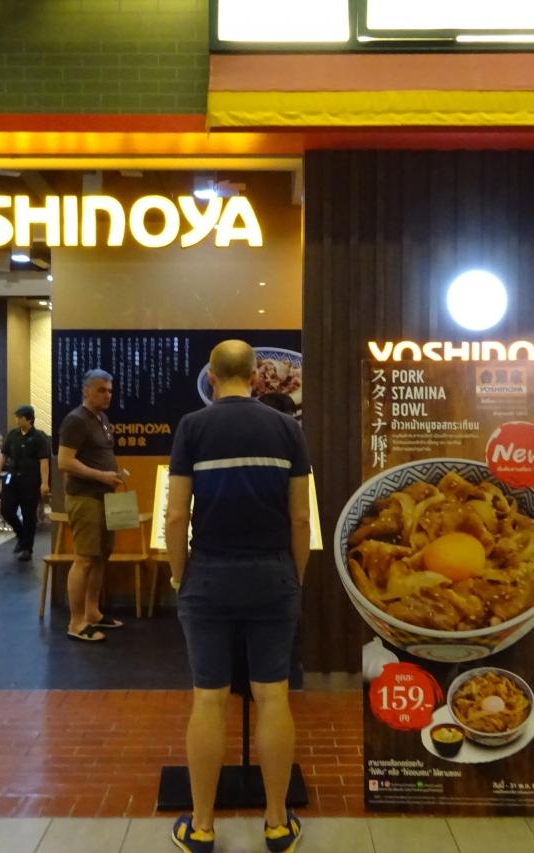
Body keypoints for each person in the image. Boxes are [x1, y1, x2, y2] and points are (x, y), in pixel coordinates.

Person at [166, 340, 310, 853]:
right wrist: (294, 576)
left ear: (211, 376)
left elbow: (176, 516)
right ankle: (276, 823)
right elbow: (300, 517)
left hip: (208, 575)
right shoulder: (287, 428)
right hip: (272, 575)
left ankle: (203, 827)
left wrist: (180, 577)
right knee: (272, 695)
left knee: (209, 697)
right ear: (255, 377)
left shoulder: (192, 427)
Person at [56, 368, 129, 642]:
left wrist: (114, 475)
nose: (107, 395)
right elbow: (65, 462)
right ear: (86, 391)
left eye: (110, 390)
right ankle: (76, 623)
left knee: (100, 556)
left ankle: (93, 612)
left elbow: (98, 455)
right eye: (101, 390)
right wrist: (101, 475)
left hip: (105, 497)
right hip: (85, 498)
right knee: (85, 559)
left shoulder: (102, 419)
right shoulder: (76, 420)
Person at [0, 404, 52, 562]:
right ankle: (21, 535)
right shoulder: (12, 435)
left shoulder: (39, 437)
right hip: (12, 478)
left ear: (29, 419)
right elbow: (3, 456)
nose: (17, 420)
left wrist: (44, 483)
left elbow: (44, 462)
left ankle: (27, 548)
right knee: (6, 509)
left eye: (20, 417)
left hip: (30, 481)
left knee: (28, 515)